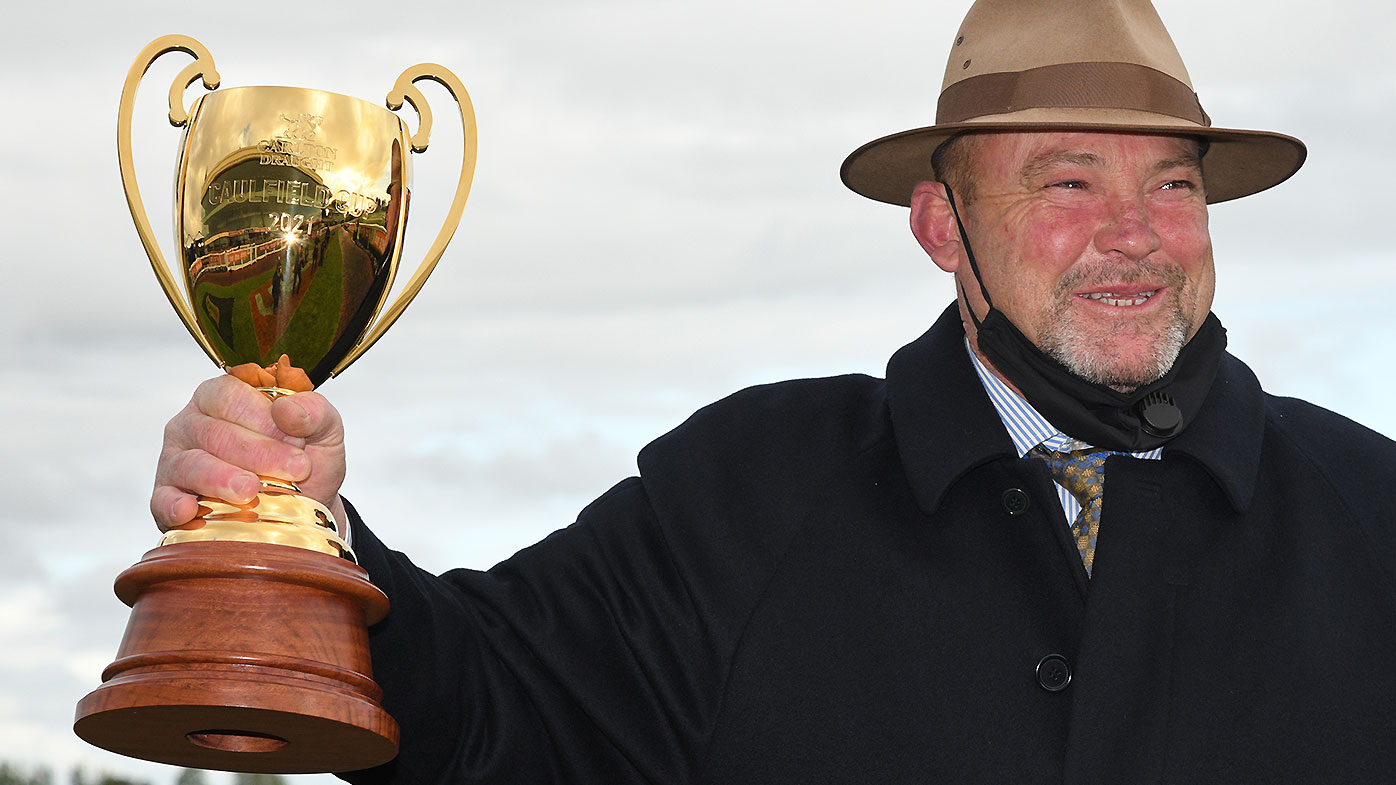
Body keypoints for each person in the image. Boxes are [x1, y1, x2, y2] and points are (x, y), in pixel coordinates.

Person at [151, 0, 1396, 781]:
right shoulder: (753, 486)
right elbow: (488, 703)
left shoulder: (1372, 507)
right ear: (942, 227)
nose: (1135, 233)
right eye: (1067, 182)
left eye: (1172, 185)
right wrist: (298, 522)